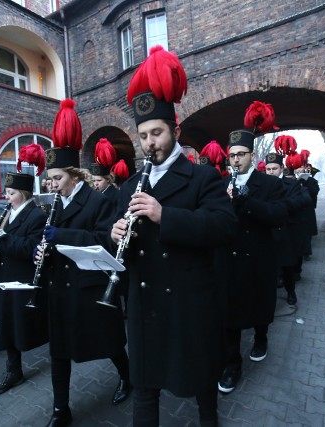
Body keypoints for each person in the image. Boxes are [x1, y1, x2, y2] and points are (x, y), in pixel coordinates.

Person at [111, 46, 237, 427]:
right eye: (144, 135)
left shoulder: (202, 177)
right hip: (144, 301)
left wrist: (166, 215)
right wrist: (113, 233)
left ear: (175, 131)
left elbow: (224, 227)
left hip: (187, 302)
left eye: (157, 133)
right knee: (145, 384)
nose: (150, 143)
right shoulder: (130, 184)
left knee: (199, 380)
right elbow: (119, 238)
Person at [37, 100, 131, 426]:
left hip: (89, 288)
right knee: (59, 351)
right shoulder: (53, 204)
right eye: (49, 179)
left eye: (57, 178)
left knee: (108, 343)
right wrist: (45, 251)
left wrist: (61, 235)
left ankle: (127, 376)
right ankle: (60, 409)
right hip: (60, 290)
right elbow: (53, 243)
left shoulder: (96, 200)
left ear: (75, 175)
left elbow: (106, 241)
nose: (52, 185)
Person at [217, 111, 288, 396]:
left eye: (241, 154)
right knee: (229, 315)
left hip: (259, 258)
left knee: (259, 306)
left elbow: (279, 215)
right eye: (232, 155)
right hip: (229, 260)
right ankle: (232, 364)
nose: (236, 159)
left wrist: (247, 202)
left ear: (251, 154)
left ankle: (261, 337)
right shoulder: (221, 184)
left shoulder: (270, 184)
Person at [0, 168, 50, 396]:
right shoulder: (8, 213)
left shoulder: (36, 215)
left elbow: (31, 249)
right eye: (6, 192)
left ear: (23, 193)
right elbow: (2, 245)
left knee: (23, 325)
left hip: (23, 279)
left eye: (11, 192)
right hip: (6, 277)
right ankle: (13, 370)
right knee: (7, 325)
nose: (6, 196)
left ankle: (59, 351)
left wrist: (5, 238)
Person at [265, 151, 312, 305]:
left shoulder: (292, 184)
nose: (271, 172)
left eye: (274, 168)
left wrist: (276, 208)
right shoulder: (262, 184)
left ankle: (291, 292)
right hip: (268, 232)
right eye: (268, 169)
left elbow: (297, 203)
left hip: (286, 232)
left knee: (287, 268)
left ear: (281, 168)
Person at [90, 138, 120, 208]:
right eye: (94, 180)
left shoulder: (117, 195)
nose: (96, 184)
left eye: (99, 180)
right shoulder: (94, 195)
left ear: (108, 180)